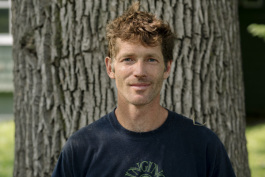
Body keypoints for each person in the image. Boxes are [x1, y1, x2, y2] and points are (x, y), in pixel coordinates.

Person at [51, 2, 236, 177]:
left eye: (151, 59)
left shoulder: (202, 146)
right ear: (110, 68)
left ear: (167, 68)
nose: (139, 72)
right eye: (128, 59)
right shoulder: (81, 149)